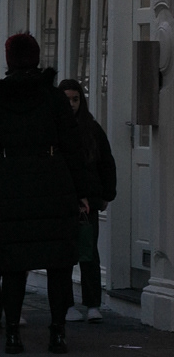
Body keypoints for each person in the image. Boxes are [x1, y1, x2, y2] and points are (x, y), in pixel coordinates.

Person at [0, 33, 88, 354]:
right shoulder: (53, 99)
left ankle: (12, 332)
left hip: (13, 183)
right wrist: (81, 191)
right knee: (58, 262)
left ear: (9, 60)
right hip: (54, 181)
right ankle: (57, 331)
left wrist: (3, 175)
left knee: (13, 264)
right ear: (37, 58)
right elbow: (72, 145)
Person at [59, 77, 116, 319]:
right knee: (64, 254)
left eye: (75, 99)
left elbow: (106, 162)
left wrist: (106, 194)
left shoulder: (91, 129)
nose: (72, 104)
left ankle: (92, 303)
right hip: (63, 198)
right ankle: (67, 304)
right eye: (67, 99)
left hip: (88, 198)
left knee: (88, 251)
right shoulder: (56, 128)